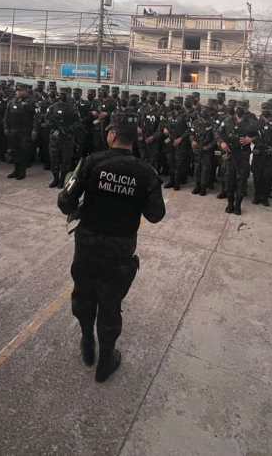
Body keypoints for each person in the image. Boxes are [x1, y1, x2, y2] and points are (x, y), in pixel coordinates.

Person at [57, 117, 165, 382]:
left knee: (84, 294)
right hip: (120, 247)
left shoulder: (91, 162)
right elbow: (156, 215)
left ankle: (87, 342)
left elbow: (65, 202)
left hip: (88, 243)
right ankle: (105, 361)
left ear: (113, 135)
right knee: (110, 302)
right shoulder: (146, 172)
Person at [4, 83, 35, 180]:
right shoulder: (12, 102)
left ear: (25, 91)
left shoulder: (31, 102)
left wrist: (34, 130)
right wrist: (6, 127)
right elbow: (6, 116)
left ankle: (22, 171)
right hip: (13, 130)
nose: (18, 92)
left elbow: (35, 117)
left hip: (24, 131)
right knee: (14, 151)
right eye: (17, 90)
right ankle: (15, 170)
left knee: (23, 151)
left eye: (20, 90)